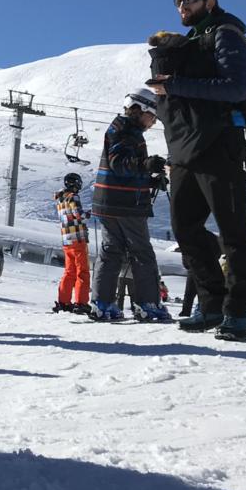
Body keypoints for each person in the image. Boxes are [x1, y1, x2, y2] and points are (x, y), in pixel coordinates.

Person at [149, 0, 246, 341]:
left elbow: (236, 88)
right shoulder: (189, 42)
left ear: (209, 1)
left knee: (233, 234)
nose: (182, 7)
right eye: (178, 1)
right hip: (184, 149)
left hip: (218, 144)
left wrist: (175, 85)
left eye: (189, 0)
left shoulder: (225, 32)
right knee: (186, 229)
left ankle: (238, 313)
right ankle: (212, 304)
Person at [90, 89, 171, 323]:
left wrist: (149, 179)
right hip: (125, 204)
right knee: (142, 252)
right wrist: (146, 164)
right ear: (141, 109)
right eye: (152, 117)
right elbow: (119, 164)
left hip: (108, 202)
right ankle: (148, 304)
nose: (153, 123)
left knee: (111, 251)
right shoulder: (127, 131)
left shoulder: (120, 128)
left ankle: (103, 303)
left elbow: (123, 170)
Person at [52, 173, 90, 314]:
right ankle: (81, 303)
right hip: (77, 238)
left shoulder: (60, 199)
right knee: (82, 272)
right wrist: (89, 214)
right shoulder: (73, 197)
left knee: (69, 272)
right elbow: (78, 215)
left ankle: (64, 301)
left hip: (66, 240)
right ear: (75, 184)